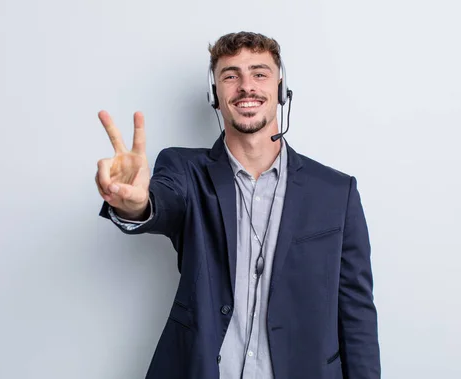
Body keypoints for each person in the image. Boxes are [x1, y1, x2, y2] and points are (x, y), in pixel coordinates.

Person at [95, 31, 380, 379]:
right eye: (230, 75)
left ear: (281, 88)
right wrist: (135, 205)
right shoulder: (185, 170)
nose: (247, 86)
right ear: (214, 94)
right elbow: (161, 202)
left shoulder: (336, 191)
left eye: (259, 73)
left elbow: (356, 312)